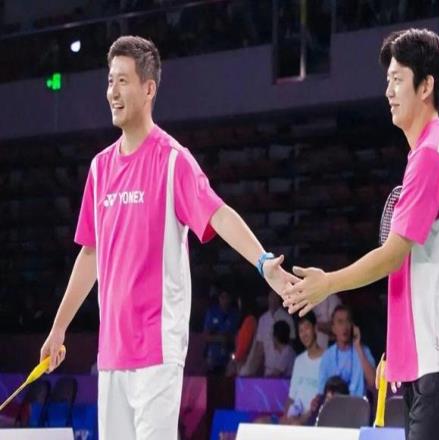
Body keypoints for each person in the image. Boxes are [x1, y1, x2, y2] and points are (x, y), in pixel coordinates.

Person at [39, 36, 296, 440]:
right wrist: (58, 329)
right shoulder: (99, 169)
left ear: (148, 89)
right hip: (112, 350)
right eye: (110, 81)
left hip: (157, 347)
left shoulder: (172, 160)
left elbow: (218, 213)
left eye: (123, 81)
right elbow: (90, 253)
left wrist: (265, 264)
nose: (112, 92)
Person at [284, 28, 439, 440]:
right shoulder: (431, 152)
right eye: (387, 80)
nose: (388, 91)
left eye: (398, 79)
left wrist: (327, 284)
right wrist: (400, 350)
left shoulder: (430, 157)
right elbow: (414, 270)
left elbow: (393, 255)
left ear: (426, 86)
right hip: (430, 363)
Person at [317, 305, 375, 398]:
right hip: (335, 404)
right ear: (333, 328)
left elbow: (373, 383)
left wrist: (358, 346)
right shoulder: (327, 356)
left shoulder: (363, 350)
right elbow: (321, 391)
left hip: (358, 404)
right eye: (340, 322)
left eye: (347, 321)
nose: (345, 326)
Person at [281, 311, 324, 425]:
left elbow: (324, 400)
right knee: (259, 423)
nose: (304, 334)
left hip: (312, 420)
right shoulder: (299, 360)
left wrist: (303, 419)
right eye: (300, 330)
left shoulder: (327, 359)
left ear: (315, 328)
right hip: (293, 417)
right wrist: (284, 418)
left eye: (307, 328)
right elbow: (291, 397)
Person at [203, 289, 240, 374]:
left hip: (229, 357)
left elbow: (239, 336)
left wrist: (228, 339)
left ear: (230, 299)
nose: (225, 300)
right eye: (222, 297)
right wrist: (220, 338)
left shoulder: (235, 315)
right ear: (219, 298)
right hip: (213, 357)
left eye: (227, 297)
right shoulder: (212, 312)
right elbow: (205, 336)